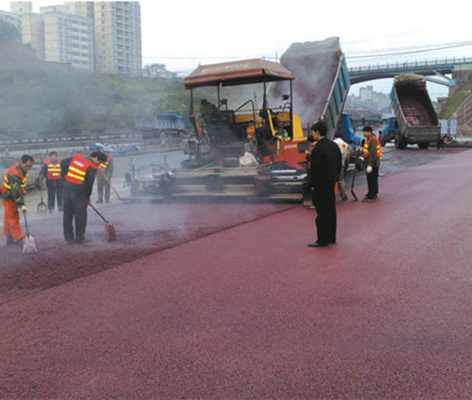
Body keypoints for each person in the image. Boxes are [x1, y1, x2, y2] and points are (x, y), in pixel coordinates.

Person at [308, 121, 342, 248]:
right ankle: (331, 237)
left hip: (320, 186)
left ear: (317, 133)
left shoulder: (317, 149)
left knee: (321, 214)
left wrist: (311, 185)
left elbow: (314, 170)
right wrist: (335, 179)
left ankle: (322, 240)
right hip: (331, 184)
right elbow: (339, 165)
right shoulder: (334, 146)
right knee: (331, 211)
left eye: (313, 132)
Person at [61, 151, 107, 244]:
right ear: (96, 158)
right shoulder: (91, 167)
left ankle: (69, 239)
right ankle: (79, 238)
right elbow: (89, 184)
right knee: (81, 216)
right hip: (78, 192)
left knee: (67, 215)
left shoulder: (77, 158)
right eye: (100, 162)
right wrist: (87, 197)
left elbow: (62, 162)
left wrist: (66, 175)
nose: (99, 164)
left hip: (66, 189)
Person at [2, 154, 34, 246]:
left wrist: (23, 190)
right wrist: (21, 205)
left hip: (10, 196)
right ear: (21, 163)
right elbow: (15, 192)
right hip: (10, 197)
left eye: (30, 166)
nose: (28, 168)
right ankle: (19, 239)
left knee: (8, 217)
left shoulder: (19, 167)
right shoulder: (15, 174)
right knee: (13, 218)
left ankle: (9, 238)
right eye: (26, 165)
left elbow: (19, 186)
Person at [362, 125, 382, 201]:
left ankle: (371, 195)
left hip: (373, 164)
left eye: (365, 132)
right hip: (374, 163)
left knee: (371, 179)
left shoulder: (372, 140)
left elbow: (372, 154)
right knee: (373, 179)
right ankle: (373, 192)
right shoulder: (369, 139)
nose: (363, 134)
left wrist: (370, 165)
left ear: (369, 132)